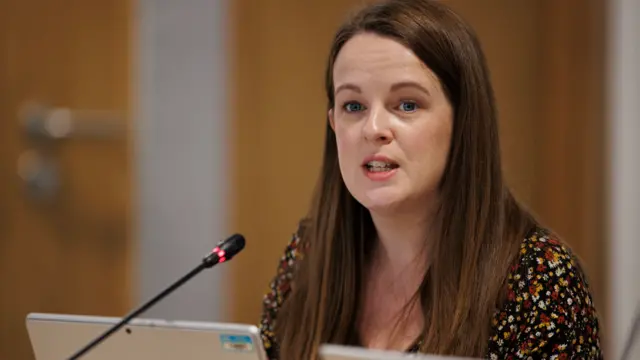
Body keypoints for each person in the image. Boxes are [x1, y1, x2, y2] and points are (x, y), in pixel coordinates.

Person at [258, 0, 603, 359]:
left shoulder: (538, 276)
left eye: (407, 104)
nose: (373, 129)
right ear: (333, 124)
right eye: (354, 106)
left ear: (462, 123)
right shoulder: (309, 253)